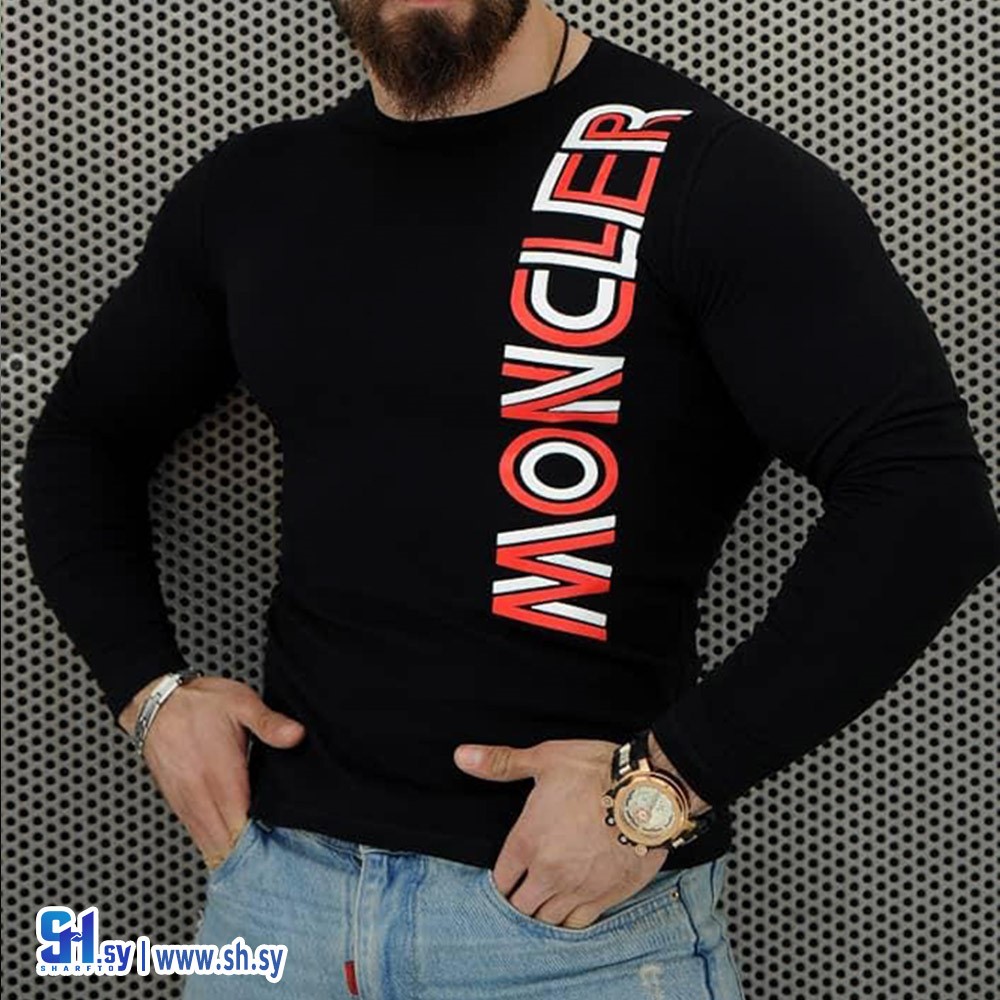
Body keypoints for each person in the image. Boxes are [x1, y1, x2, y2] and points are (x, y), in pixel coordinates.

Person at [19, 1, 1000, 997]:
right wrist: (152, 694)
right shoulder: (255, 189)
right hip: (277, 901)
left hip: (571, 932)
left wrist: (664, 784)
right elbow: (80, 445)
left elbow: (925, 501)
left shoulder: (707, 175)